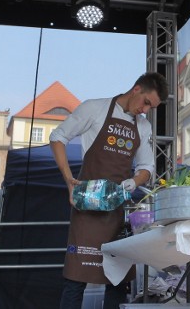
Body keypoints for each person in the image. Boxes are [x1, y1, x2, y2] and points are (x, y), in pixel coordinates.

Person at [50, 72, 169, 309]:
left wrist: (134, 183)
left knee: (117, 282)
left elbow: (146, 167)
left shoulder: (142, 126)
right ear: (136, 89)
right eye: (146, 102)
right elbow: (58, 137)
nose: (145, 110)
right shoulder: (94, 108)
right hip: (86, 207)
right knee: (76, 280)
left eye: (151, 107)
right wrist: (68, 179)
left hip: (117, 211)